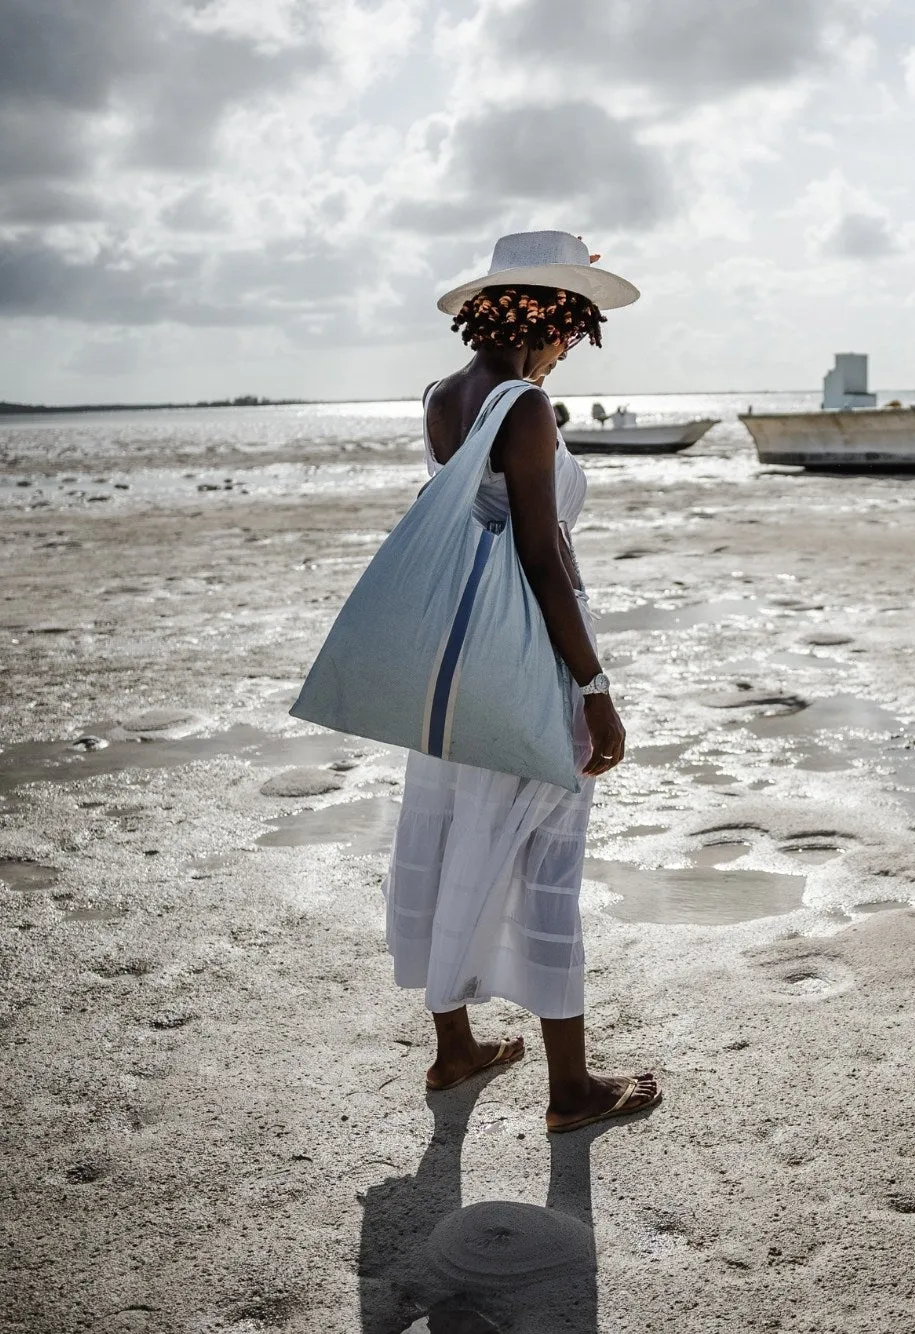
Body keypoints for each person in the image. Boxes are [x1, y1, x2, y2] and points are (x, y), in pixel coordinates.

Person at [381, 231, 661, 1133]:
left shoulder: (441, 398)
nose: (573, 348)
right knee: (547, 863)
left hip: (461, 670)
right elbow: (543, 557)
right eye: (577, 327)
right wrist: (594, 686)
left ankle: (455, 1047)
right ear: (553, 316)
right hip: (528, 661)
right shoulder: (525, 408)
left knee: (450, 830)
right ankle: (570, 1090)